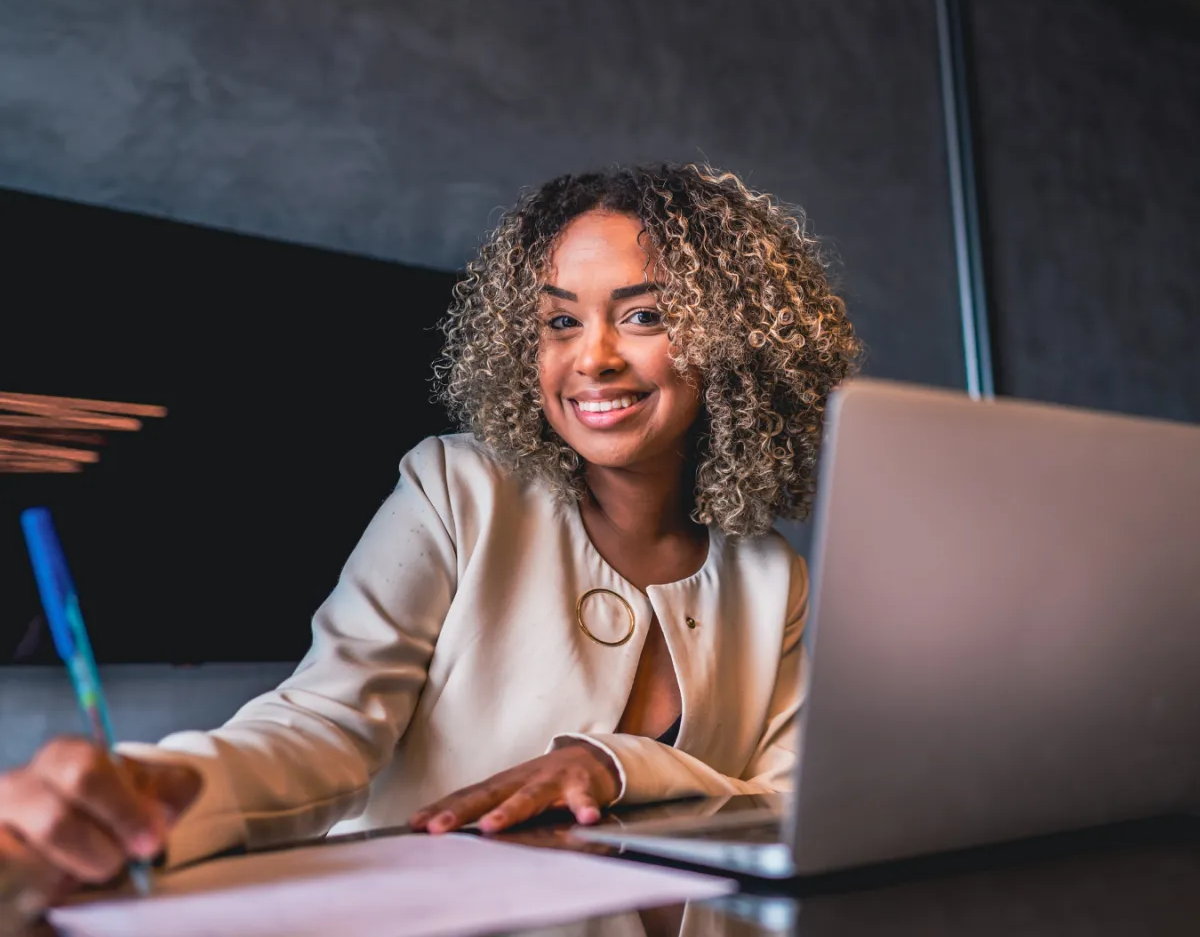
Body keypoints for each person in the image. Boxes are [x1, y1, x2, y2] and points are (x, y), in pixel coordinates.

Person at [0, 163, 860, 913]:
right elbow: (327, 723)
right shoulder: (459, 487)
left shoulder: (767, 573)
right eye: (560, 321)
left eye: (643, 316)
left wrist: (615, 767)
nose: (592, 357)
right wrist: (165, 786)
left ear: (735, 344)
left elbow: (791, 802)